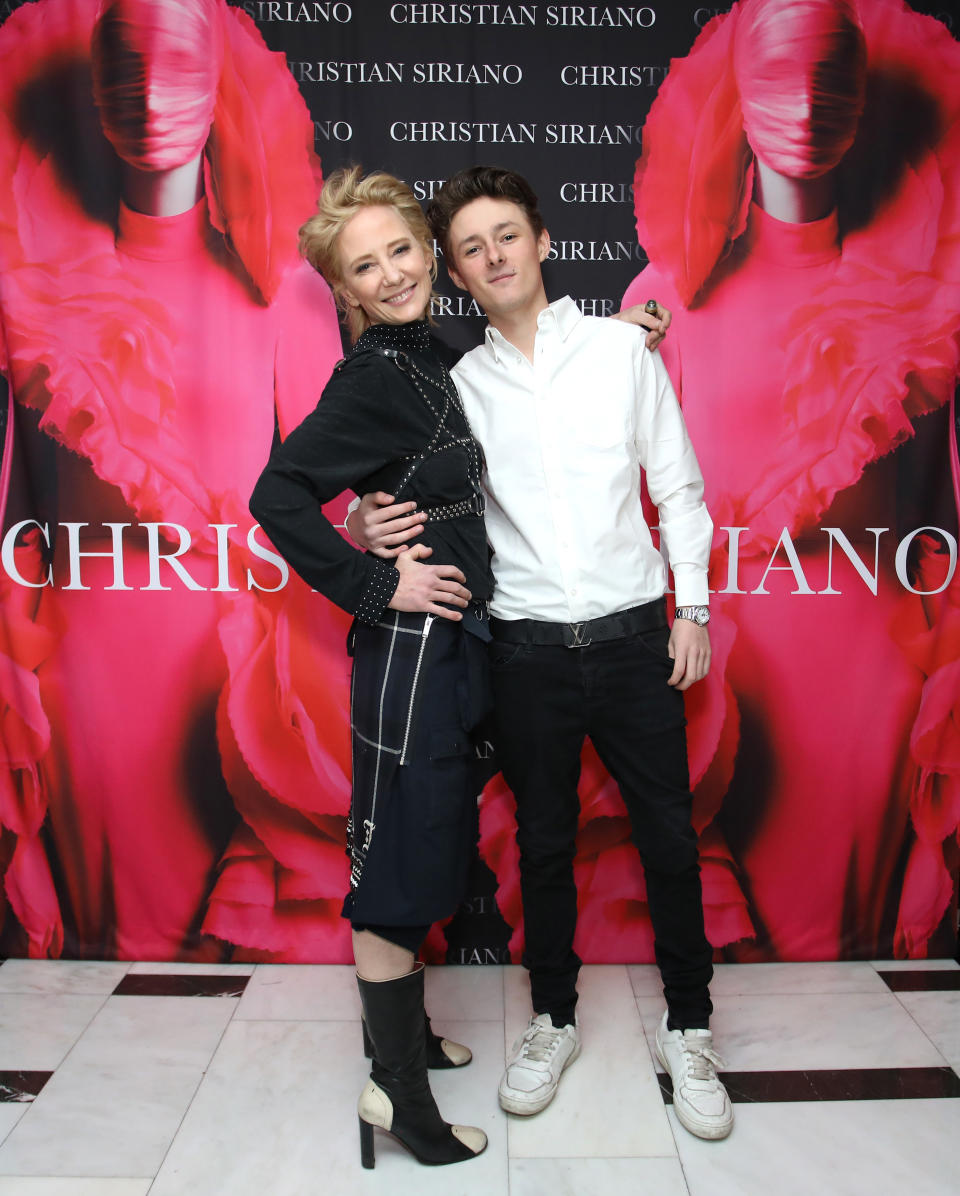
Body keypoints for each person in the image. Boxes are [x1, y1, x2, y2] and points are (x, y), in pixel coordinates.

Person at [350, 165, 733, 1141]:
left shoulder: (619, 352)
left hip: (637, 636)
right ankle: (553, 1018)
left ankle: (690, 1027)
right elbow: (401, 482)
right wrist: (359, 513)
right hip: (523, 651)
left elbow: (677, 488)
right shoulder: (457, 388)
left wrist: (692, 607)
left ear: (543, 240)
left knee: (670, 840)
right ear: (458, 274)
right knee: (545, 844)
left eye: (506, 236)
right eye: (471, 247)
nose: (492, 257)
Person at [0, 0, 345, 959]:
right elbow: (19, 495)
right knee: (116, 939)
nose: (150, 100)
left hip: (235, 651)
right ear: (99, 101)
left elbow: (337, 491)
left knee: (236, 937)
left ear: (217, 94)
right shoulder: (41, 287)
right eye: (125, 76)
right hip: (87, 654)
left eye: (176, 72)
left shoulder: (285, 286)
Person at [622, 0, 960, 961]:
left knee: (840, 953)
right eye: (781, 75)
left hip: (867, 660)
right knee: (718, 930)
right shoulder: (662, 297)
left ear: (860, 102)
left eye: (833, 77)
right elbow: (634, 500)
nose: (808, 105)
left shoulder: (918, 304)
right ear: (738, 95)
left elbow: (937, 503)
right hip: (712, 652)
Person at [249, 166, 496, 1168]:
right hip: (411, 652)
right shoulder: (371, 379)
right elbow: (277, 493)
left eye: (402, 249)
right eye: (366, 265)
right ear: (343, 291)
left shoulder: (433, 356)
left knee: (421, 844)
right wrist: (367, 580)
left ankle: (404, 1042)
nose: (392, 272)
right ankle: (402, 1103)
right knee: (397, 868)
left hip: (452, 649)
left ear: (429, 252)